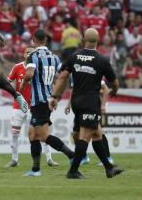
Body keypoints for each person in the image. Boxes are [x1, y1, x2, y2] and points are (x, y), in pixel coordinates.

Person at [50, 28, 123, 179]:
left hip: (76, 101)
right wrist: (115, 90)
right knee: (85, 136)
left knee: (97, 134)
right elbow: (114, 82)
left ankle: (109, 168)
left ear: (83, 39)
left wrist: (54, 96)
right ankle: (73, 171)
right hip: (90, 103)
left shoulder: (74, 56)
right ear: (98, 40)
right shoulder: (102, 60)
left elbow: (63, 76)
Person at [20, 29, 74, 177]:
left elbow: (29, 74)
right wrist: (57, 96)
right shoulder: (54, 57)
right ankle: (35, 169)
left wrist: (23, 85)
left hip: (40, 102)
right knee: (32, 135)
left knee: (42, 136)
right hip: (48, 100)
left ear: (33, 40)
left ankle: (72, 156)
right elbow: (64, 76)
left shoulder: (33, 56)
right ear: (45, 40)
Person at [6, 47, 58, 167]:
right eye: (27, 52)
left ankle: (49, 159)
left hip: (35, 106)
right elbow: (7, 82)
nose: (29, 54)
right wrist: (12, 91)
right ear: (24, 54)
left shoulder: (39, 67)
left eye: (31, 52)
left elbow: (50, 82)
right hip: (18, 106)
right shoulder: (17, 67)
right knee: (14, 133)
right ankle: (14, 160)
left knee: (42, 134)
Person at [64, 79, 114, 166]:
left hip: (93, 106)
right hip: (80, 106)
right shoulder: (74, 74)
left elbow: (105, 88)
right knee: (76, 133)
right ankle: (84, 157)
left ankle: (108, 158)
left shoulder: (92, 70)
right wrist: (69, 104)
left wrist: (103, 105)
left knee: (97, 130)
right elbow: (74, 90)